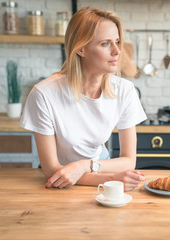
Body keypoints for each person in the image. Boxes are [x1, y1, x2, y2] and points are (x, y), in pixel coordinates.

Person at [20, 7, 147, 191]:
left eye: (117, 41)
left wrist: (84, 166)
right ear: (81, 49)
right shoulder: (44, 94)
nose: (118, 51)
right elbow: (50, 170)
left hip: (101, 173)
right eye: (106, 44)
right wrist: (110, 179)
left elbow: (129, 161)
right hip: (61, 183)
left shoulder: (125, 90)